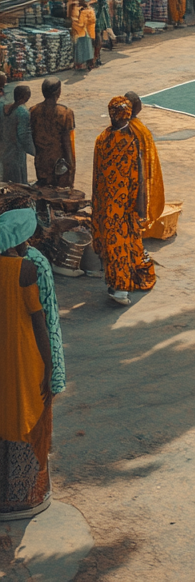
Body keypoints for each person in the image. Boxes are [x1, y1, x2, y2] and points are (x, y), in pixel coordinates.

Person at [0, 206, 54, 519]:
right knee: (24, 414)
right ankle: (22, 496)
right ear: (21, 240)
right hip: (23, 357)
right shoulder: (26, 270)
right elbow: (39, 324)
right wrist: (49, 368)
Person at [92, 97, 156, 306]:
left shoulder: (102, 138)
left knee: (115, 246)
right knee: (121, 245)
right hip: (123, 207)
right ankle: (120, 288)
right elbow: (140, 176)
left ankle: (119, 283)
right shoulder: (132, 141)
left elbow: (97, 175)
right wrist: (141, 206)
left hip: (108, 206)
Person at [122, 91, 167, 239]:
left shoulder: (121, 126)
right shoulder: (137, 128)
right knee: (138, 200)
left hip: (126, 172)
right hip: (138, 172)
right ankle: (137, 226)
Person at [29, 79, 75, 188]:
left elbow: (31, 135)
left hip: (41, 161)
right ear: (58, 92)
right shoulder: (66, 112)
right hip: (59, 160)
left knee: (44, 191)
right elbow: (66, 140)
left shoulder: (33, 110)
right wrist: (70, 163)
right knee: (60, 193)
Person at [1, 85, 34, 184]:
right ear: (26, 97)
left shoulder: (3, 108)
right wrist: (34, 151)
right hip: (16, 153)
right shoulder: (22, 111)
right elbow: (24, 136)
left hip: (4, 151)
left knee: (6, 182)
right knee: (19, 184)